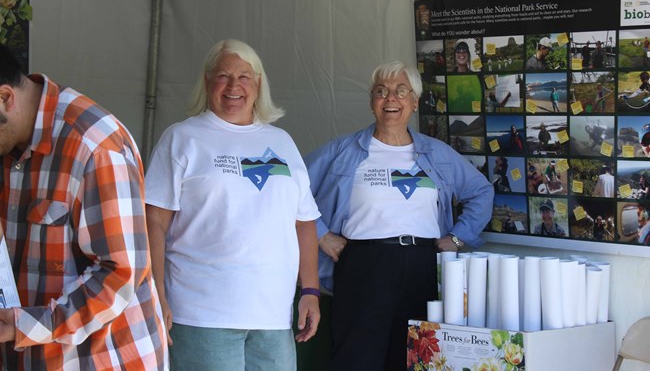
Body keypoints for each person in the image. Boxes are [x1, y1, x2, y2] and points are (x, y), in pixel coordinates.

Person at [304, 61, 493, 371]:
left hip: (423, 264)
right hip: (363, 264)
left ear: (414, 102)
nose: (390, 98)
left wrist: (459, 237)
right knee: (356, 359)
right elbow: (291, 189)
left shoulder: (437, 153)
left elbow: (481, 192)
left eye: (400, 91)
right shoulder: (342, 150)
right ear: (371, 102)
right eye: (381, 91)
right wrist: (321, 234)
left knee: (414, 359)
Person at [145, 39, 321, 370]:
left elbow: (304, 222)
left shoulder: (281, 142)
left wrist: (310, 289)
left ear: (258, 84)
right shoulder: (183, 138)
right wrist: (156, 294)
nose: (233, 86)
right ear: (207, 82)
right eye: (223, 75)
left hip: (273, 316)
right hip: (200, 313)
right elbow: (153, 221)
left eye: (244, 77)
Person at [0, 44, 168, 368]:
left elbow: (119, 277)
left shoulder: (95, 146)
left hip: (103, 360)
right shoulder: (9, 140)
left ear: (6, 97)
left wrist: (28, 325)